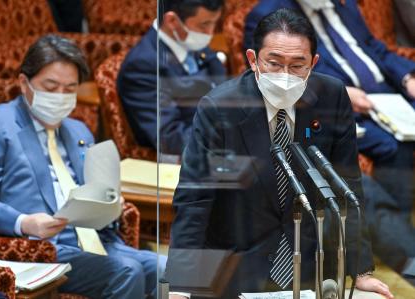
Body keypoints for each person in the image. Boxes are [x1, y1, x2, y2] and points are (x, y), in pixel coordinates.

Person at [168, 8, 393, 299]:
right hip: (237, 265)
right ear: (253, 59)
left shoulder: (331, 96)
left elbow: (347, 187)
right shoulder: (220, 108)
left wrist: (360, 269)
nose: (285, 75)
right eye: (274, 63)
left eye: (297, 65)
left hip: (312, 262)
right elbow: (195, 201)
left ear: (313, 63)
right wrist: (181, 286)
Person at [0, 34, 164, 299]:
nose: (60, 96)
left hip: (96, 240)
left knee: (168, 267)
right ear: (24, 83)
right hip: (39, 247)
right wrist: (24, 222)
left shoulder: (78, 129)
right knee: (127, 271)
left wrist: (108, 203)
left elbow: (92, 188)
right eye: (50, 86)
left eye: (69, 89)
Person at [244, 0, 415, 221]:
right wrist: (340, 92)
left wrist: (407, 77)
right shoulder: (270, 14)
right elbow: (276, 75)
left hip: (387, 96)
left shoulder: (343, 5)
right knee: (392, 146)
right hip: (334, 108)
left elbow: (373, 46)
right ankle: (398, 234)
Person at [118, 0, 226, 155]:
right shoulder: (143, 66)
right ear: (172, 21)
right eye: (204, 25)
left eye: (214, 23)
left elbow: (222, 85)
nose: (210, 33)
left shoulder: (190, 41)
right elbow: (170, 138)